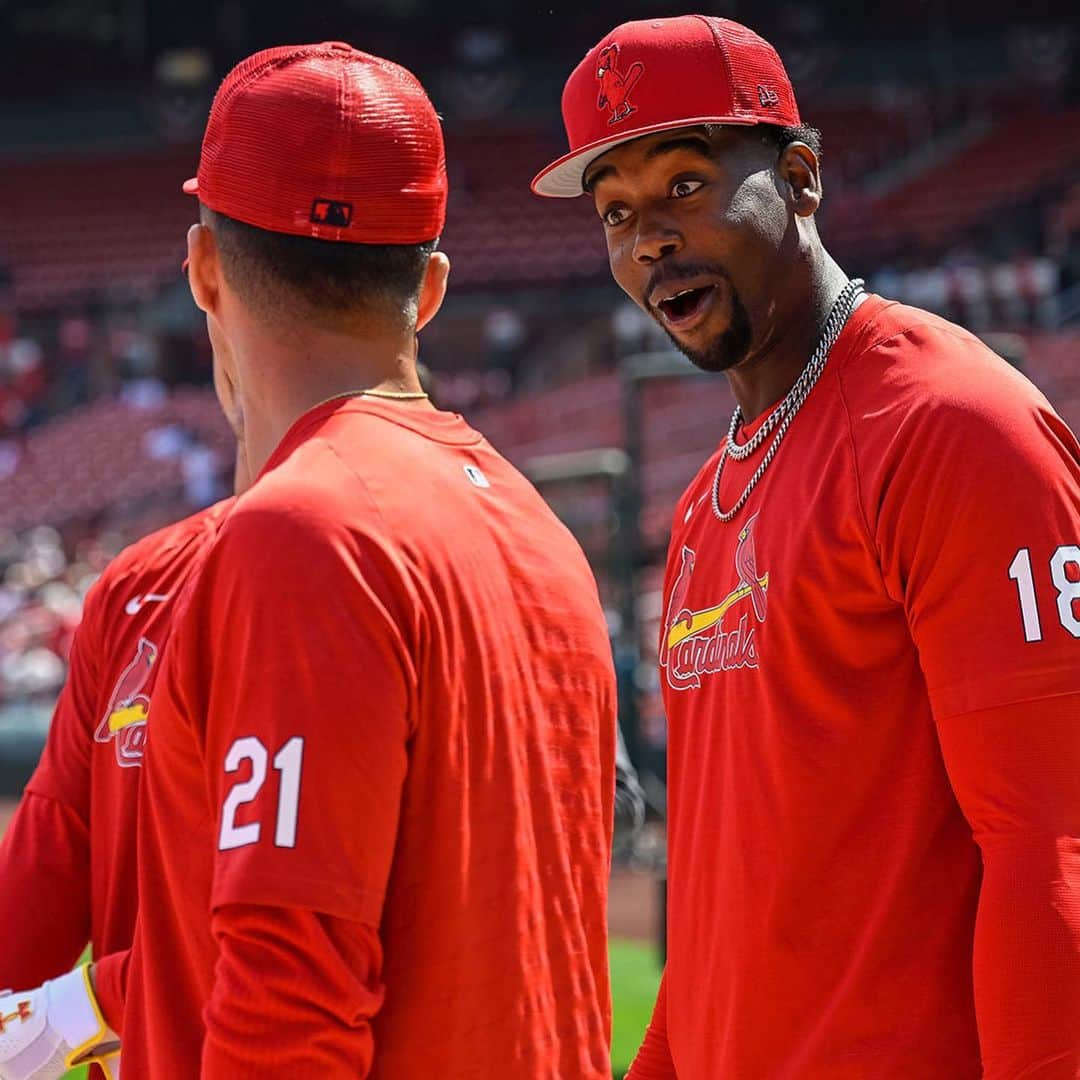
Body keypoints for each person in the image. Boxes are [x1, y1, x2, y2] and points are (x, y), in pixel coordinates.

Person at [19, 42, 614, 1079]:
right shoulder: (542, 531)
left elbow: (288, 1014)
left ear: (204, 266)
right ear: (427, 290)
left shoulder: (302, 532)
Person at [533, 15, 1080, 1079]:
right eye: (616, 211)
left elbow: (1052, 849)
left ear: (801, 178)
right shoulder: (702, 505)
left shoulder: (953, 426)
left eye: (686, 184)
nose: (650, 238)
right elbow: (715, 918)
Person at [0, 362, 247, 1079]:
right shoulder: (137, 584)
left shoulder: (380, 571)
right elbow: (50, 847)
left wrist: (84, 1004)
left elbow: (298, 931)